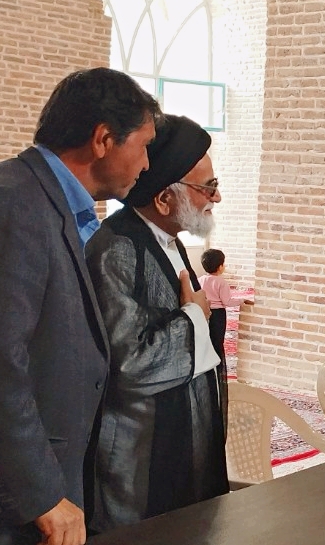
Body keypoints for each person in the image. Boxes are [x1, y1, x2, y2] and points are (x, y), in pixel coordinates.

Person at [0, 68, 159, 545]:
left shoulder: (48, 203)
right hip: (21, 497)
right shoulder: (17, 204)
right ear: (104, 140)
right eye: (143, 146)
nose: (146, 163)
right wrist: (42, 494)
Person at [85, 114, 228, 531]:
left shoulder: (168, 240)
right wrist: (194, 317)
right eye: (208, 188)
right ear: (165, 199)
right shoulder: (118, 249)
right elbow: (130, 363)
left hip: (184, 439)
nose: (216, 198)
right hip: (140, 458)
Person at [199, 248, 252, 431]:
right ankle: (218, 371)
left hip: (205, 314)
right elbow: (227, 301)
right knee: (218, 342)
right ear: (221, 266)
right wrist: (242, 301)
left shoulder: (200, 280)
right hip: (218, 315)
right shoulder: (221, 282)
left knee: (207, 341)